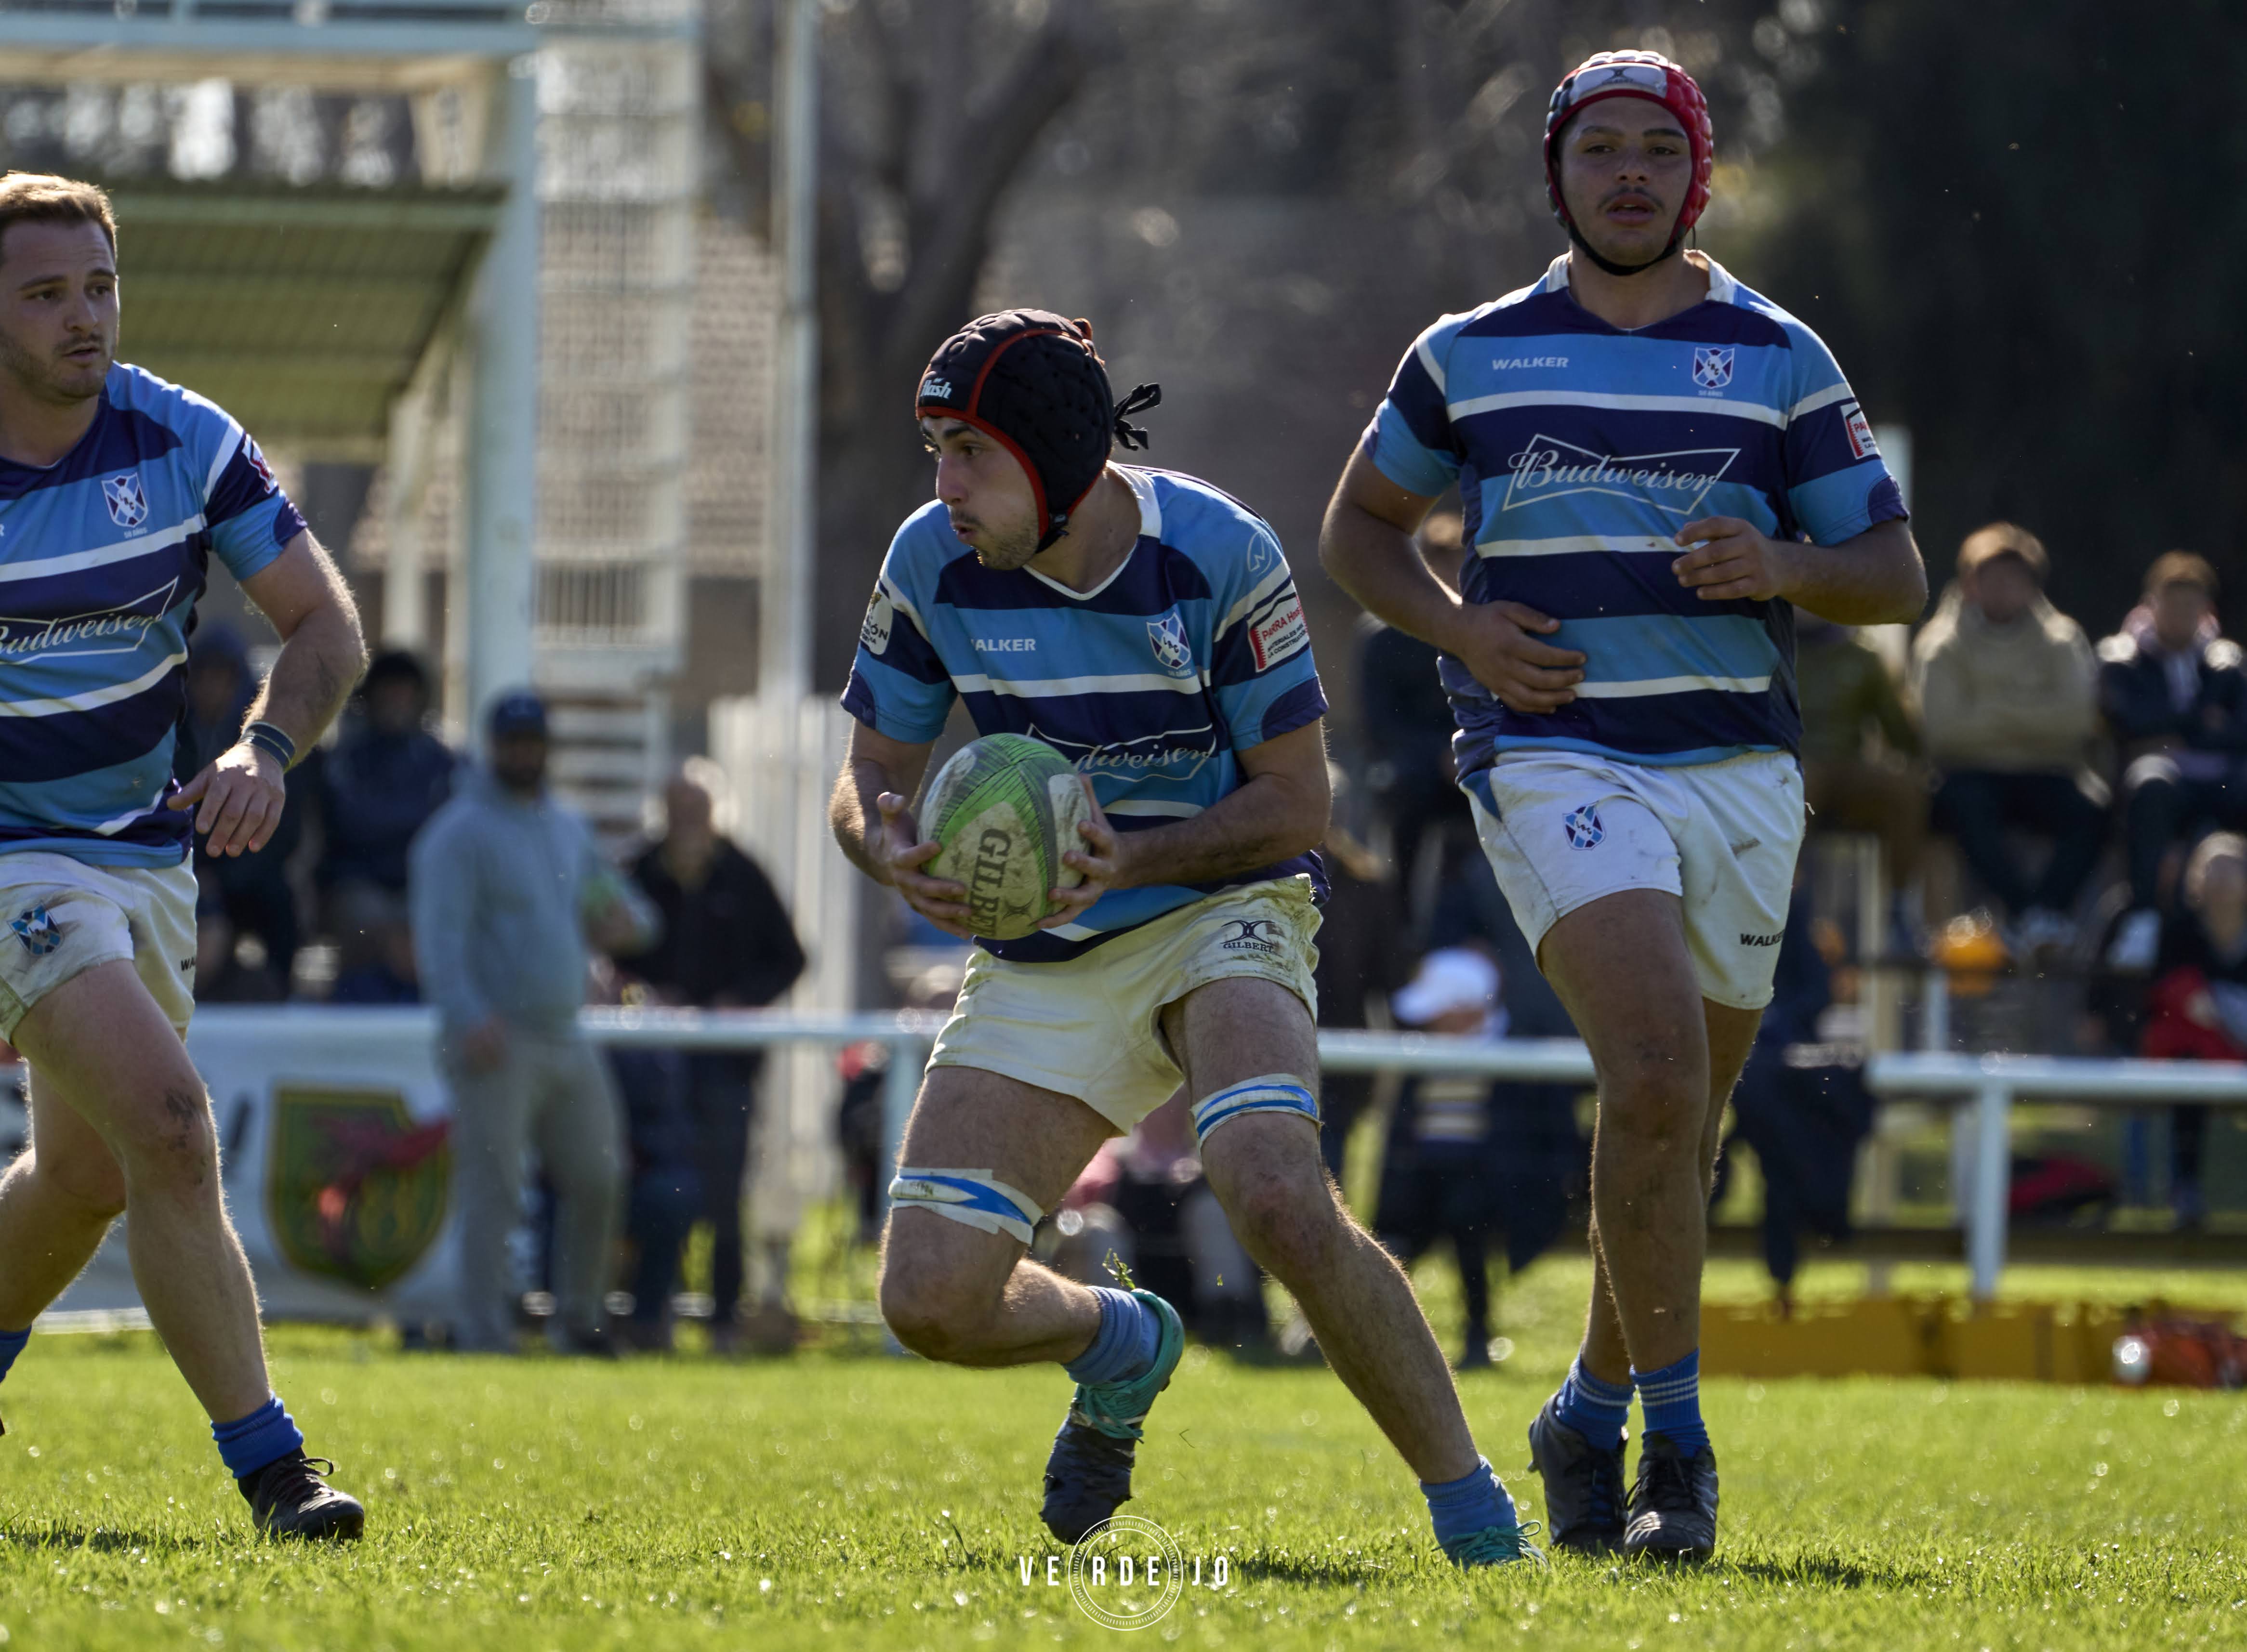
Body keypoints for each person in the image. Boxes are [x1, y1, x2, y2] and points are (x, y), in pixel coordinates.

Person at [1318, 52, 1924, 1560]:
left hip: (1740, 770)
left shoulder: (1779, 355)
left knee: (1678, 1118)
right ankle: (1680, 1451)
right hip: (1553, 754)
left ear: (1697, 174)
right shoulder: (1469, 353)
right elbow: (1360, 531)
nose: (1631, 173)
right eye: (1601, 150)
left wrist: (1785, 565)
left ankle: (1587, 1408)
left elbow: (1894, 575)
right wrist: (1462, 629)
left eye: (1660, 147)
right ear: (1559, 175)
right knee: (1653, 1069)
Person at [831, 309, 1541, 1566]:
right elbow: (868, 770)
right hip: (1049, 947)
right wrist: (881, 840)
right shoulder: (929, 560)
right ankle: (1121, 1338)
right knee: (928, 1300)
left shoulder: (1219, 551)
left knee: (1274, 1191)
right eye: (934, 451)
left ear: (1056, 456)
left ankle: (1478, 1517)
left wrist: (1136, 857)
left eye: (971, 452)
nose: (944, 486)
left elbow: (1299, 804)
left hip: (1225, 907)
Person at [0, 175, 369, 1537]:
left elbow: (325, 629)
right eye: (46, 293)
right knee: (168, 1121)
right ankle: (277, 1471)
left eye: (99, 287)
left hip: (145, 858)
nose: (83, 318)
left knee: (90, 1177)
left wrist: (264, 750)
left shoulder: (184, 438)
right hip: (12, 863)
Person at [410, 691, 661, 1355]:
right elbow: (439, 940)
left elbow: (625, 908)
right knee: (492, 1192)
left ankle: (579, 1322)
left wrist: (628, 922)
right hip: (497, 1038)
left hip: (565, 1033)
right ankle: (483, 1333)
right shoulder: (458, 833)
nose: (524, 753)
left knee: (600, 1174)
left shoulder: (567, 827)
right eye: (513, 742)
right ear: (493, 746)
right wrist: (468, 1015)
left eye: (533, 741)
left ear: (547, 747)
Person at [627, 763, 806, 1351]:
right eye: (677, 810)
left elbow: (790, 957)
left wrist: (740, 1000)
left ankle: (724, 1321)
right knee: (659, 1187)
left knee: (725, 1193)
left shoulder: (743, 874)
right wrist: (643, 997)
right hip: (650, 1066)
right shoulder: (637, 872)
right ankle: (652, 1314)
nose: (687, 823)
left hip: (727, 1067)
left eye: (697, 811)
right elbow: (610, 956)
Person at [1912, 523, 2106, 950]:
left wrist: (1986, 709)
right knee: (1965, 806)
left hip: (2049, 772)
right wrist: (2032, 713)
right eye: (1992, 577)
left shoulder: (2063, 640)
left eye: (2015, 579)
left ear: (2033, 586)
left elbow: (2076, 722)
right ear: (1970, 582)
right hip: (1969, 776)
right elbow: (1943, 732)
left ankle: (2044, 914)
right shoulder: (1941, 643)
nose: (2003, 588)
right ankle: (2025, 914)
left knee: (2092, 811)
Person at [2100, 554, 2247, 972]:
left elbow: (2240, 731)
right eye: (2172, 604)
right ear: (2151, 604)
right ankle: (2143, 918)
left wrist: (2174, 726)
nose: (2181, 615)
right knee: (2151, 782)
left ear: (2206, 610)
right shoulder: (2121, 658)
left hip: (2222, 781)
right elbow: (2130, 721)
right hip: (2165, 784)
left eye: (2190, 606)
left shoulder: (2228, 664)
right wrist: (2202, 721)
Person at [314, 648, 458, 986]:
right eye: (388, 688)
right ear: (372, 695)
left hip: (420, 886)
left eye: (405, 689)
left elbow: (450, 833)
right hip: (358, 886)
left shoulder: (441, 761)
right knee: (367, 918)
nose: (397, 699)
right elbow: (354, 825)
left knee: (433, 917)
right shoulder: (347, 759)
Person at [2137, 833, 2247, 1227]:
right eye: (2213, 869)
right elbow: (2165, 996)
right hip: (2193, 1049)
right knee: (2190, 1075)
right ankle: (2185, 1189)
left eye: (2232, 868)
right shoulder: (2179, 931)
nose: (2222, 879)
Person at [1795, 615, 1925, 915]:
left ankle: (1899, 907)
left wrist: (1920, 762)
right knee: (1804, 785)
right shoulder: (1770, 649)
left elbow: (1901, 732)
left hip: (1846, 766)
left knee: (1904, 790)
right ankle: (1788, 907)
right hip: (1789, 769)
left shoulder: (1863, 656)